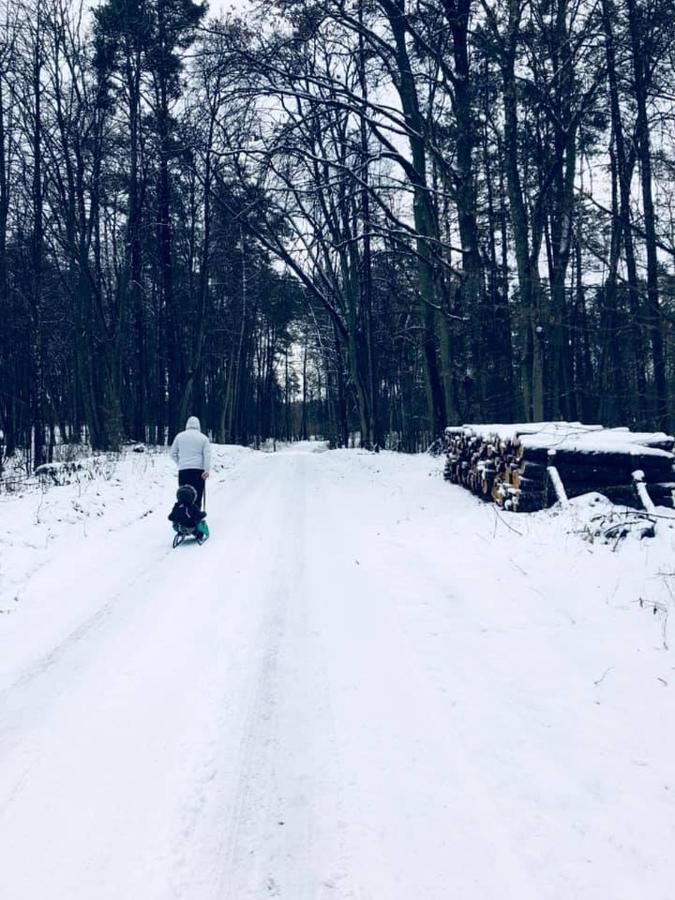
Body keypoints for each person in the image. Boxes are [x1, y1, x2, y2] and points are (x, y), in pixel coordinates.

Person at [170, 415, 211, 508]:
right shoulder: (203, 438)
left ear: (187, 425)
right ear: (198, 426)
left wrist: (180, 463)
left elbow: (172, 453)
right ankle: (196, 518)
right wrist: (206, 470)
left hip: (183, 471)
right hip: (198, 472)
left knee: (184, 496)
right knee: (197, 496)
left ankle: (183, 517)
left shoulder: (180, 436)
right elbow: (207, 456)